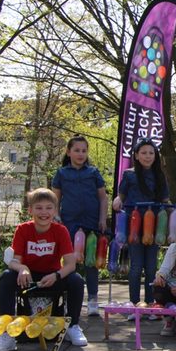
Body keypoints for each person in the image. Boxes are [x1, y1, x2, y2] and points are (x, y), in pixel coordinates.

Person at [0, 188, 87, 351]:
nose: (44, 212)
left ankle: (72, 326)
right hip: (28, 278)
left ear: (55, 211)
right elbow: (14, 261)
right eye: (39, 208)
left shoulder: (60, 231)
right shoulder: (23, 229)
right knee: (6, 277)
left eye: (49, 208)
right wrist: (22, 268)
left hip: (52, 276)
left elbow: (71, 265)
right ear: (30, 210)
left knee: (76, 280)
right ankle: (6, 334)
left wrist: (56, 275)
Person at [112, 138, 170, 319]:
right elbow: (121, 195)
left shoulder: (160, 175)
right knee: (136, 267)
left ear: (155, 155)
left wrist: (173, 213)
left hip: (154, 226)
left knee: (152, 267)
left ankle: (152, 305)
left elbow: (165, 200)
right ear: (136, 155)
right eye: (143, 153)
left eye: (151, 153)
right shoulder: (129, 175)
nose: (147, 156)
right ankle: (134, 304)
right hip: (134, 224)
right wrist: (118, 200)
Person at [52, 135, 108, 317]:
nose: (80, 154)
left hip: (91, 222)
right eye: (76, 150)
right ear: (68, 152)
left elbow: (102, 198)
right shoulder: (61, 174)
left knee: (91, 262)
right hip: (69, 223)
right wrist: (56, 216)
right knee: (70, 263)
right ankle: (69, 300)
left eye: (84, 150)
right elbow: (55, 198)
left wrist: (102, 219)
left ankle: (92, 299)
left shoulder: (93, 172)